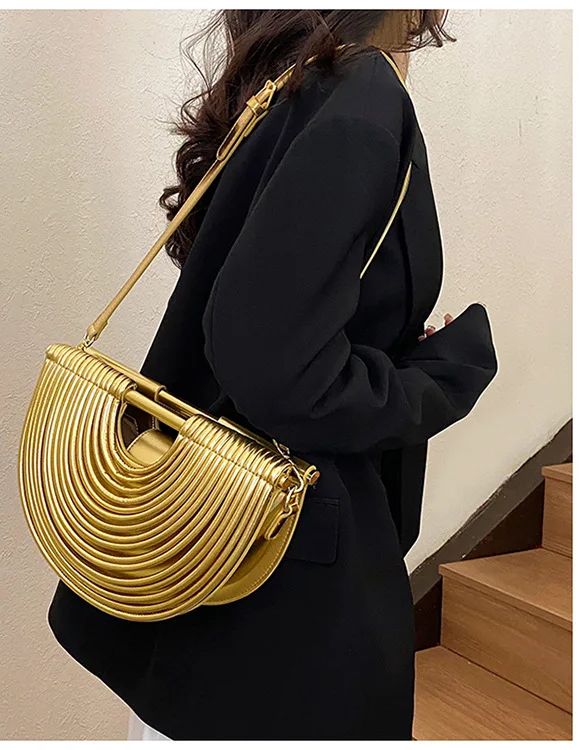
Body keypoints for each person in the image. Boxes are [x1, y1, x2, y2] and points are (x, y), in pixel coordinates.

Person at [47, 9, 498, 740]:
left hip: (204, 547)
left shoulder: (293, 78)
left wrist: (375, 345)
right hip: (277, 579)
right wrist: (443, 373)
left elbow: (268, 319)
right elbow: (275, 368)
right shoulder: (360, 96)